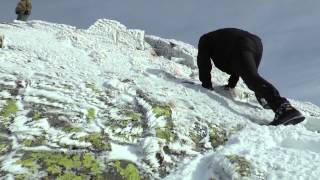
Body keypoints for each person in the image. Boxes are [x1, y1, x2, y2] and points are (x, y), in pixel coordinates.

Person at [197, 28, 305, 126]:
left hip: (240, 44)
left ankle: (285, 109)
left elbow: (203, 63)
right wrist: (231, 85)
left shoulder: (204, 40)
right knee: (251, 75)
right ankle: (264, 98)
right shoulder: (220, 41)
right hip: (256, 44)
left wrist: (206, 85)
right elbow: (238, 68)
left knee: (251, 77)